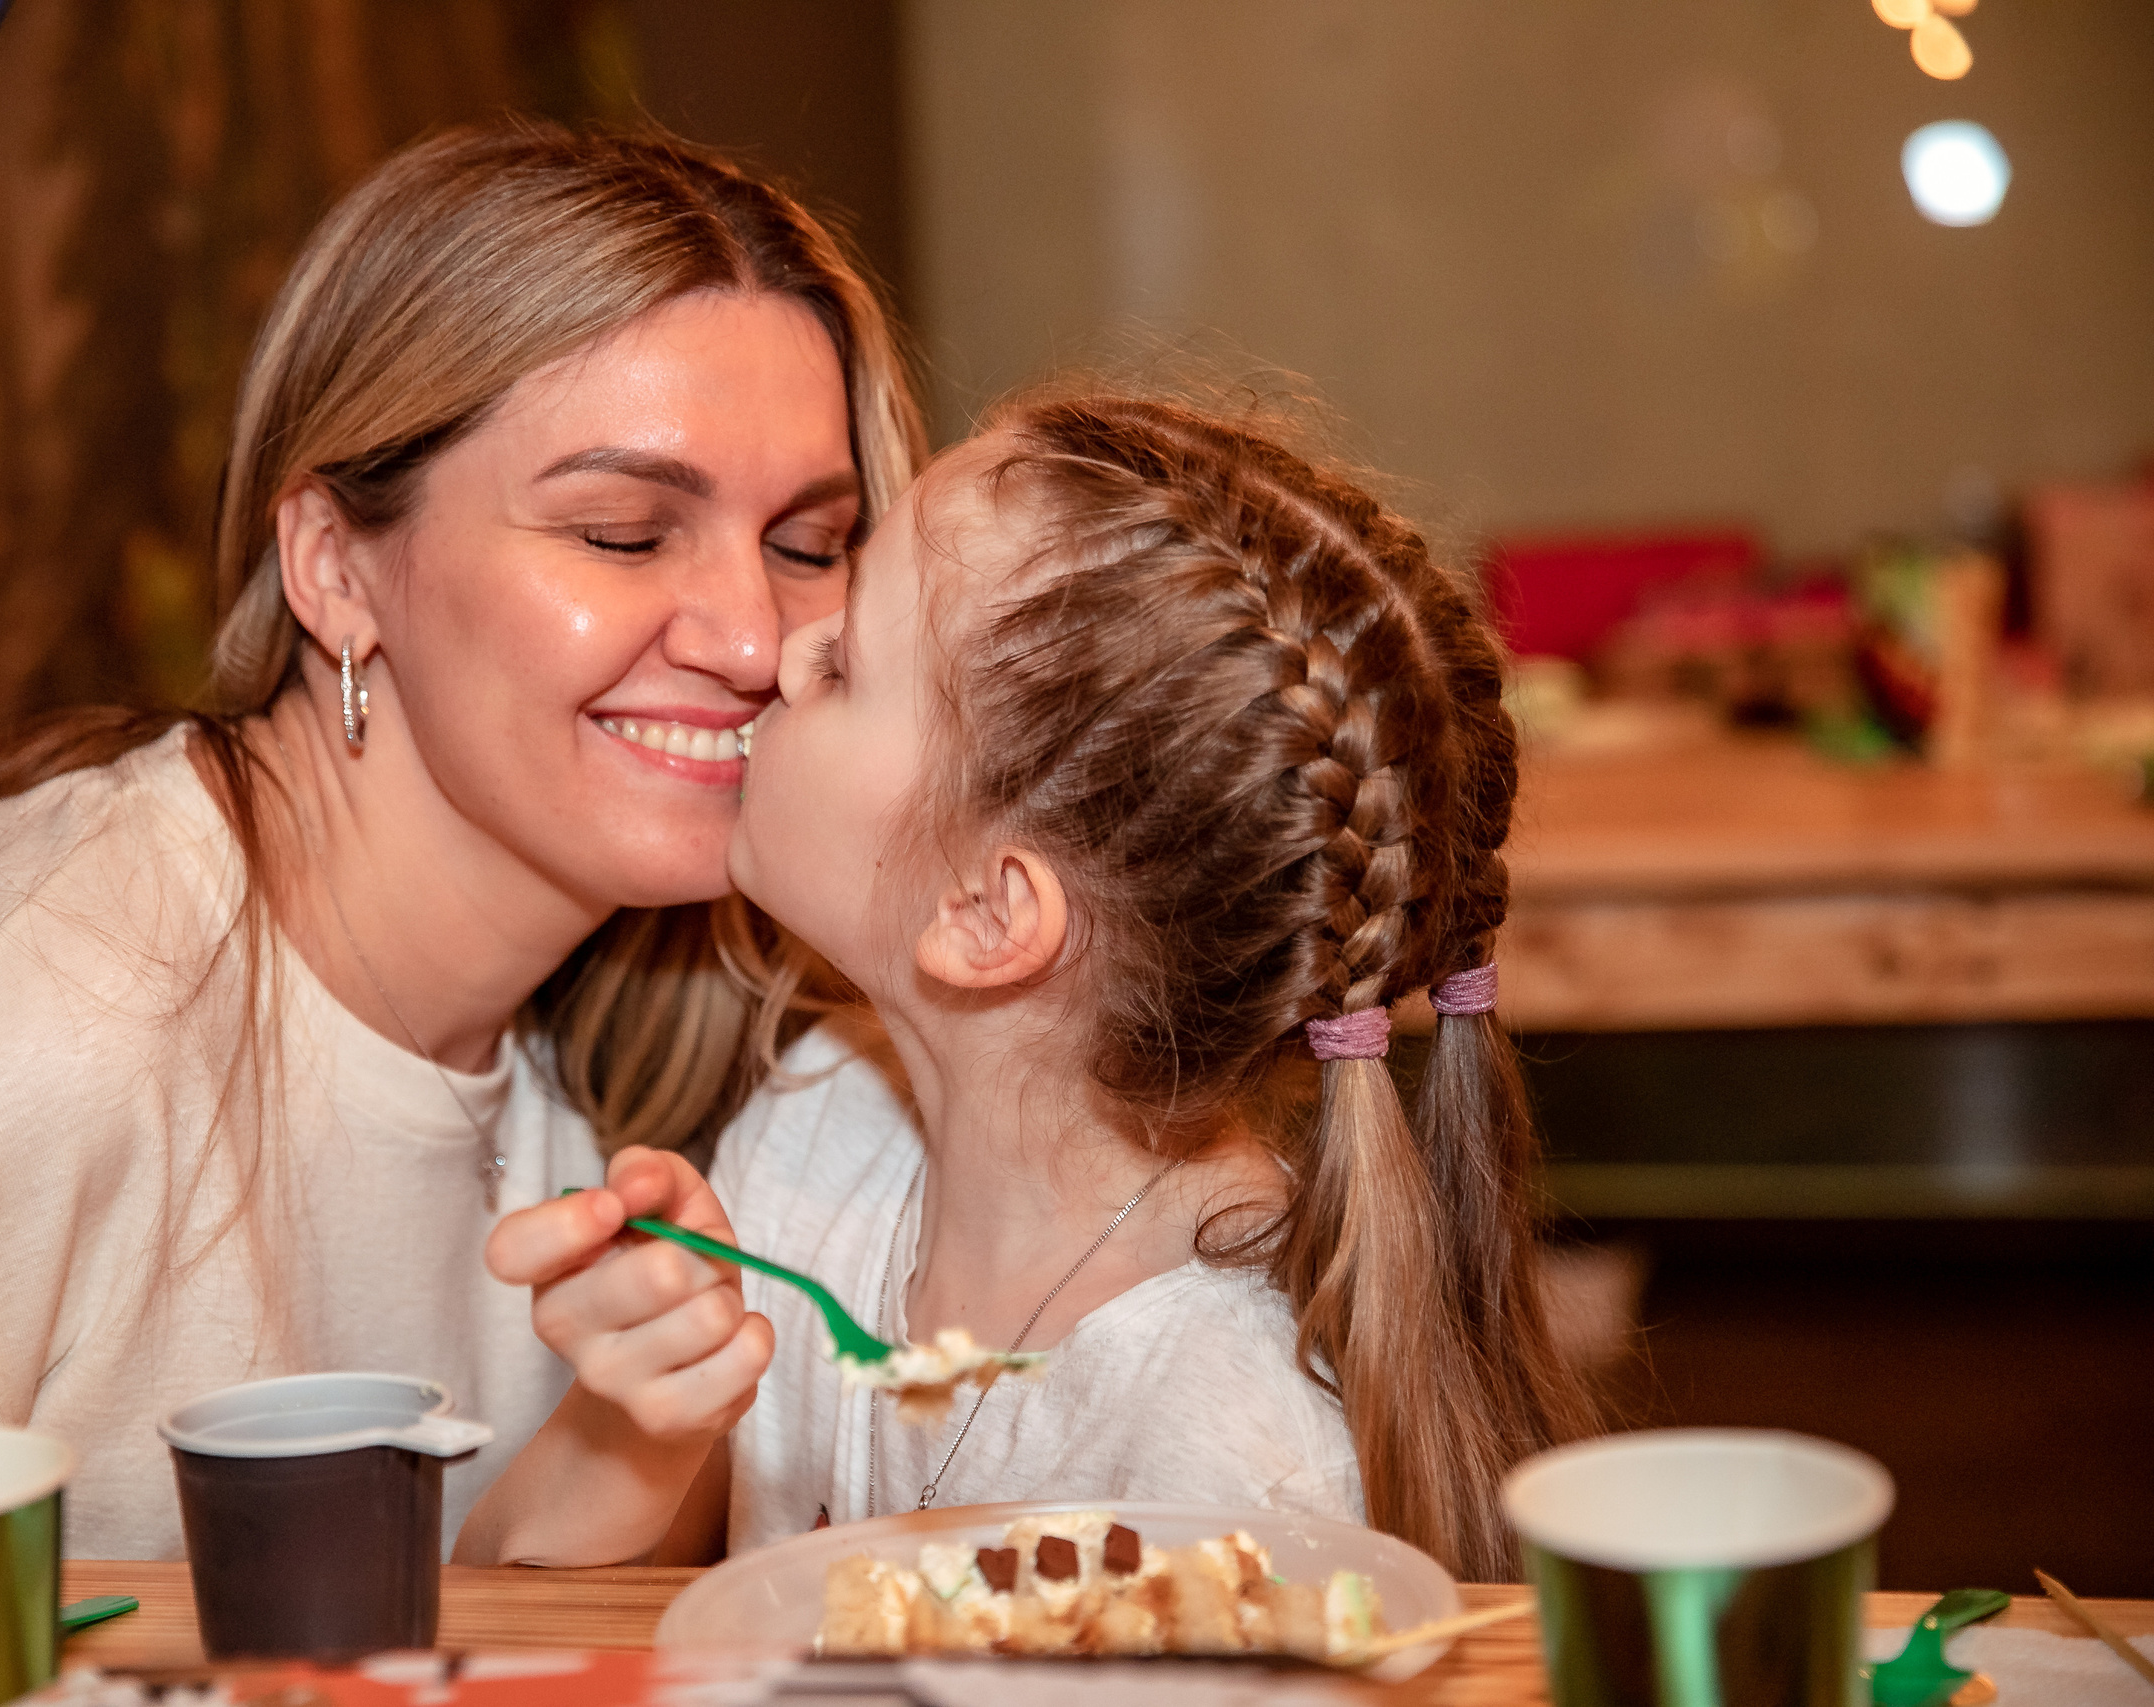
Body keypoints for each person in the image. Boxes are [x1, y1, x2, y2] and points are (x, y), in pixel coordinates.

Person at [0, 121, 924, 1608]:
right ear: (333, 565)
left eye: (811, 543)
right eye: (623, 534)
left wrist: (617, 1448)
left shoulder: (618, 1024)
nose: (754, 639)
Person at [467, 391, 1598, 1581]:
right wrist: (636, 1426)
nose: (779, 652)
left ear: (986, 915)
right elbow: (519, 1621)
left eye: (844, 660)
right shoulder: (811, 1136)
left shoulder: (1241, 1472)